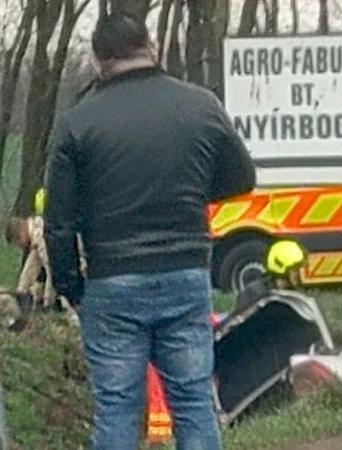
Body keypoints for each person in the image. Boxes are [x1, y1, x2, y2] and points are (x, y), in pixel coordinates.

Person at [44, 14, 255, 450]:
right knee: (193, 403)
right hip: (185, 273)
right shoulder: (201, 104)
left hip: (111, 280)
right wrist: (190, 193)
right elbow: (241, 176)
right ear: (151, 45)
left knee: (117, 408)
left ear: (99, 60)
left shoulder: (77, 123)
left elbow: (59, 222)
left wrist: (70, 286)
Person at [233, 239, 309, 314]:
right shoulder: (254, 293)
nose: (299, 274)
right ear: (281, 269)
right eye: (295, 270)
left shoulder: (298, 296)